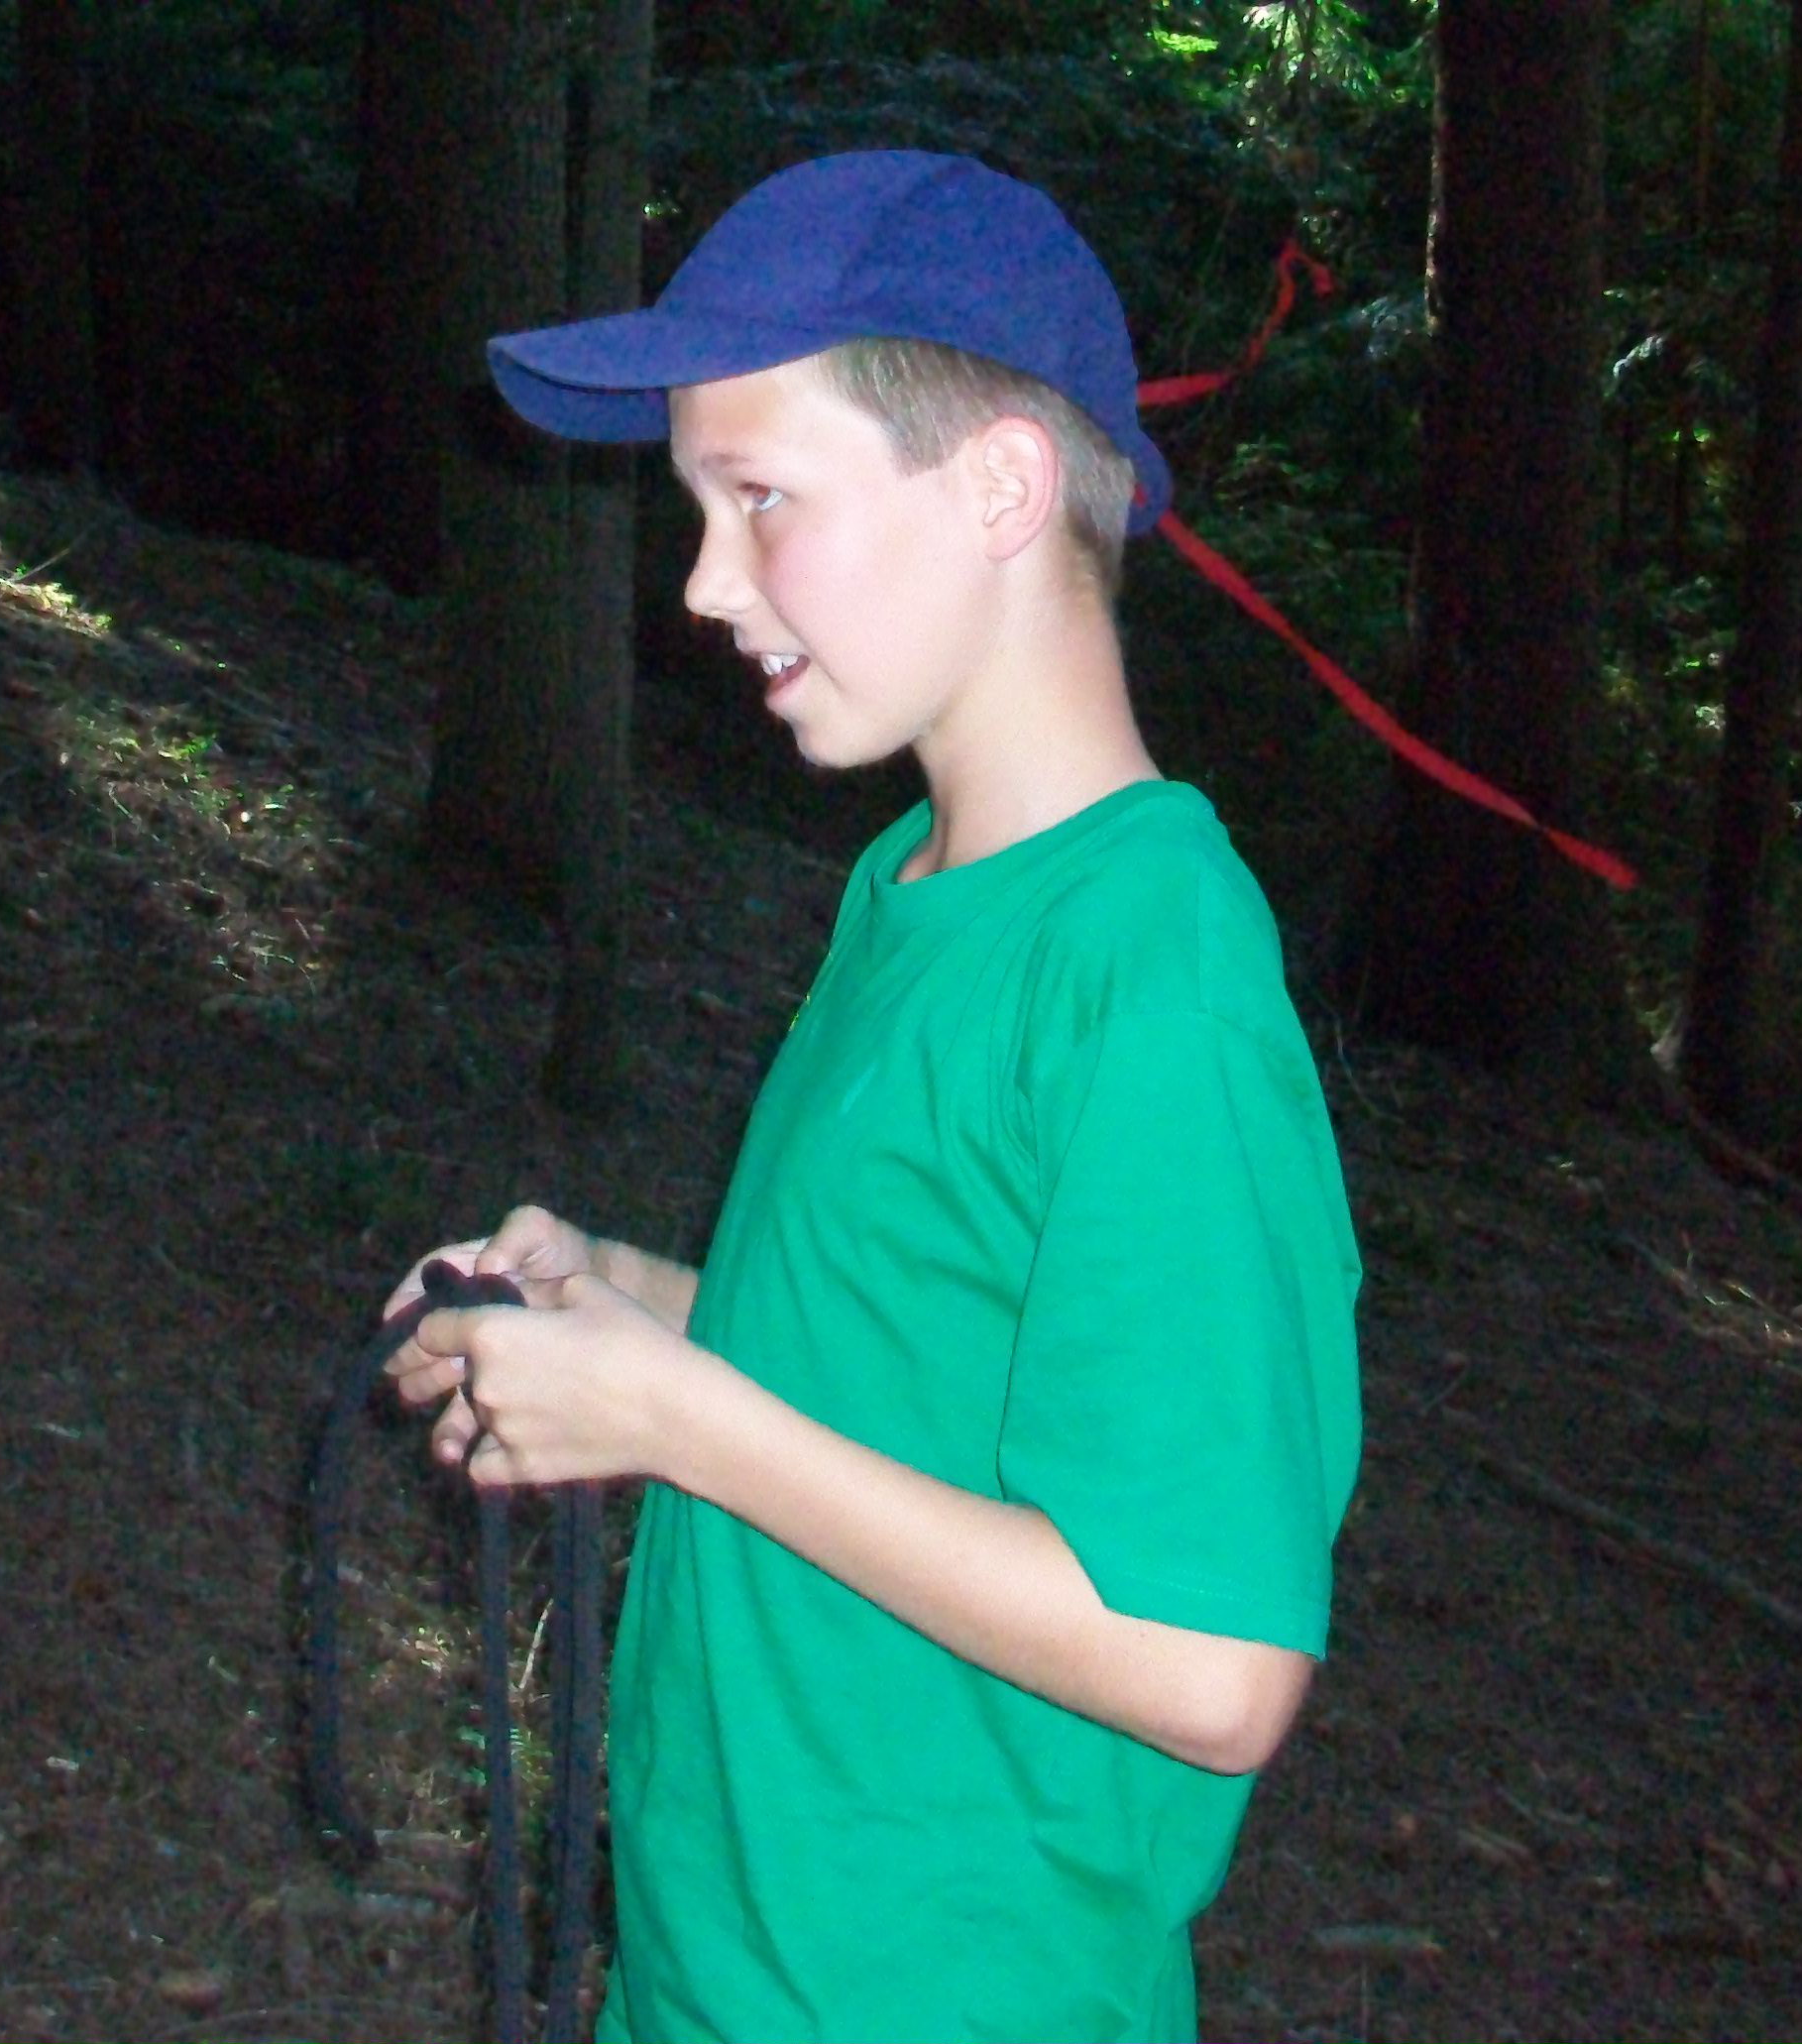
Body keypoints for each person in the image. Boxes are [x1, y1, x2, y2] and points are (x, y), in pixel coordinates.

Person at [383, 152, 1363, 2042]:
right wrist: (629, 1308)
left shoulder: (1150, 974)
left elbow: (1212, 1657)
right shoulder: (913, 888)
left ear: (1000, 487)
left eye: (759, 498)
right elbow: (912, 1365)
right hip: (718, 1970)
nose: (702, 581)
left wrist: (681, 1419)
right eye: (697, 508)